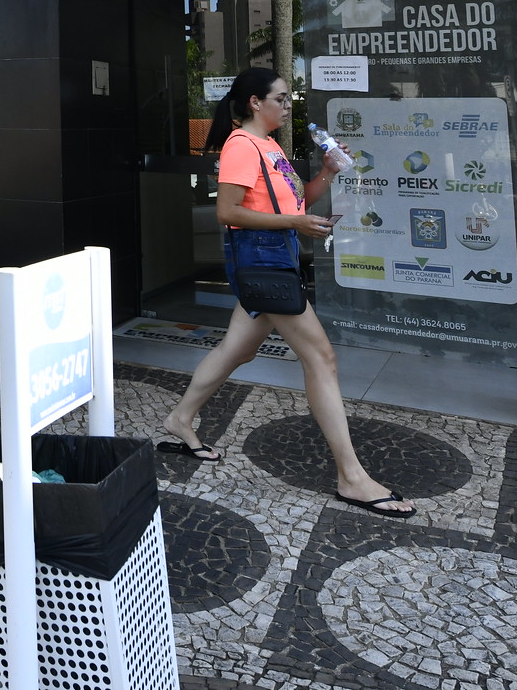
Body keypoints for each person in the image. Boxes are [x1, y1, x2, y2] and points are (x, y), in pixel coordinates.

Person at [158, 66, 416, 517]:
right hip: (265, 266)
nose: (287, 104)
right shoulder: (241, 146)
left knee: (237, 350)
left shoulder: (271, 146)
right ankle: (352, 478)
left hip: (274, 264)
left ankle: (180, 419)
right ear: (255, 102)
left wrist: (328, 172)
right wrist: (295, 224)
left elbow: (298, 203)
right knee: (322, 359)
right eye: (280, 97)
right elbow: (227, 212)